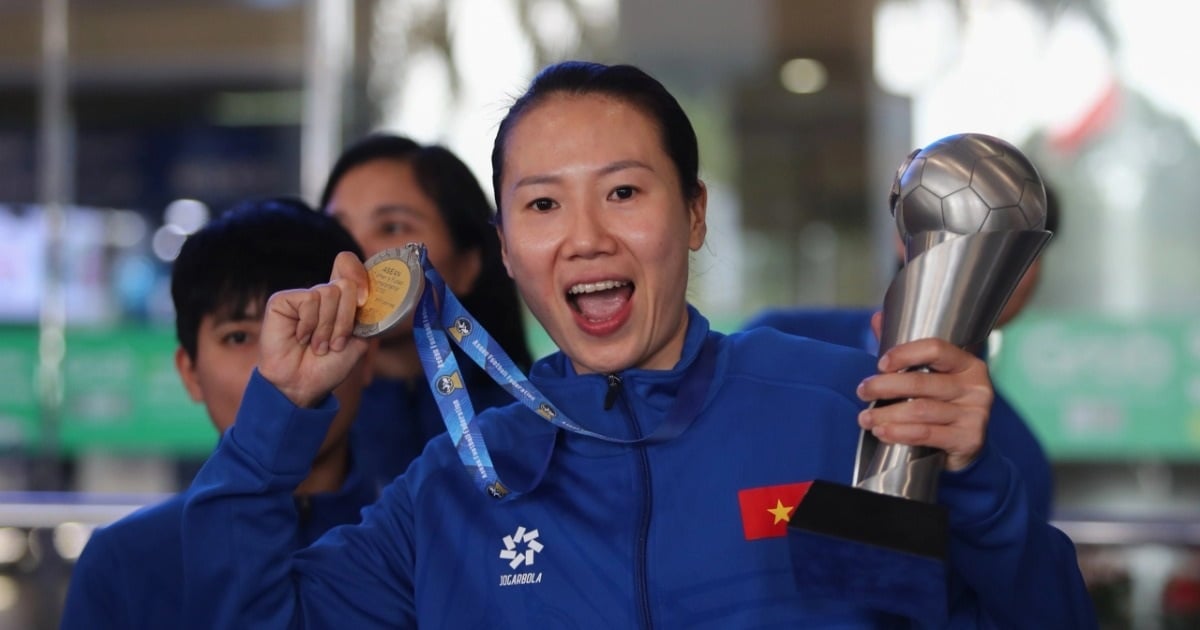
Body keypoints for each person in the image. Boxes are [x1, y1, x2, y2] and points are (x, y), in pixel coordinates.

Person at [180, 61, 1095, 627]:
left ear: (693, 215)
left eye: (624, 192)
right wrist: (273, 422)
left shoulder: (842, 414)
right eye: (542, 204)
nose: (585, 238)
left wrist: (975, 488)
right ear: (506, 247)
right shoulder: (460, 484)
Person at [60, 199, 377, 630]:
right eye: (239, 336)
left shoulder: (420, 531)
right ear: (189, 372)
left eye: (310, 324)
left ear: (368, 354)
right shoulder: (123, 561)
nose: (276, 361)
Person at [744, 187, 1062, 519]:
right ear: (905, 234)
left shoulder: (1020, 458)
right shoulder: (775, 345)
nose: (991, 262)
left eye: (1019, 249)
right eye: (971, 234)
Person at [319, 134, 533, 487]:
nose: (353, 254)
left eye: (391, 227)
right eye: (337, 230)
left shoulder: (530, 422)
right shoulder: (304, 426)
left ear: (468, 264)